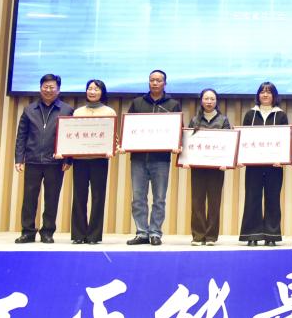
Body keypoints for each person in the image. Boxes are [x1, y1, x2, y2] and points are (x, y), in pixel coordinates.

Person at [14, 74, 73, 244]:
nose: (48, 90)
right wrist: (19, 158)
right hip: (32, 160)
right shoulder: (29, 110)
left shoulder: (67, 110)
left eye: (52, 87)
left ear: (58, 90)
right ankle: (27, 232)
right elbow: (21, 136)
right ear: (40, 88)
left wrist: (68, 159)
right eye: (45, 87)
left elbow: (70, 137)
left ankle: (47, 232)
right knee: (29, 198)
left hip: (55, 162)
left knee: (52, 198)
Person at [125, 70, 181, 247]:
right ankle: (142, 232)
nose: (155, 83)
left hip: (161, 159)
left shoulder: (173, 104)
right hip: (139, 158)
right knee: (138, 198)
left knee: (159, 198)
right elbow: (129, 128)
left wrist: (176, 143)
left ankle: (155, 232)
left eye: (158, 80)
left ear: (165, 83)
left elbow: (178, 130)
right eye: (152, 80)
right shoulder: (137, 103)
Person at [239, 82, 289, 246]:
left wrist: (282, 159)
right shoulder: (250, 115)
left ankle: (271, 235)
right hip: (253, 165)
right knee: (252, 197)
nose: (265, 95)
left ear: (274, 95)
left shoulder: (281, 115)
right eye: (262, 92)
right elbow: (244, 139)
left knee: (273, 198)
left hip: (274, 165)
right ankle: (251, 235)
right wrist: (242, 158)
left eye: (269, 92)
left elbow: (285, 140)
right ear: (258, 95)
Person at [69, 79, 116, 245]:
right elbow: (69, 135)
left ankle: (94, 235)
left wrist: (112, 148)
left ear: (102, 92)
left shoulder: (109, 112)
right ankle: (78, 234)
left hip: (99, 160)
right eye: (90, 88)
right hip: (79, 160)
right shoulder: (77, 112)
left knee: (98, 197)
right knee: (79, 196)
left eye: (96, 89)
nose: (92, 92)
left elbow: (113, 136)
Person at [186, 88, 232, 246]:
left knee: (214, 201)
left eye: (212, 99)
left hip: (217, 167)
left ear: (216, 101)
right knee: (197, 201)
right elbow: (188, 143)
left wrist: (226, 161)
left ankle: (211, 236)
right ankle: (198, 236)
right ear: (201, 100)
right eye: (206, 98)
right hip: (198, 166)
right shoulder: (194, 120)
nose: (209, 101)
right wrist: (186, 159)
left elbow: (228, 143)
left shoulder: (223, 120)